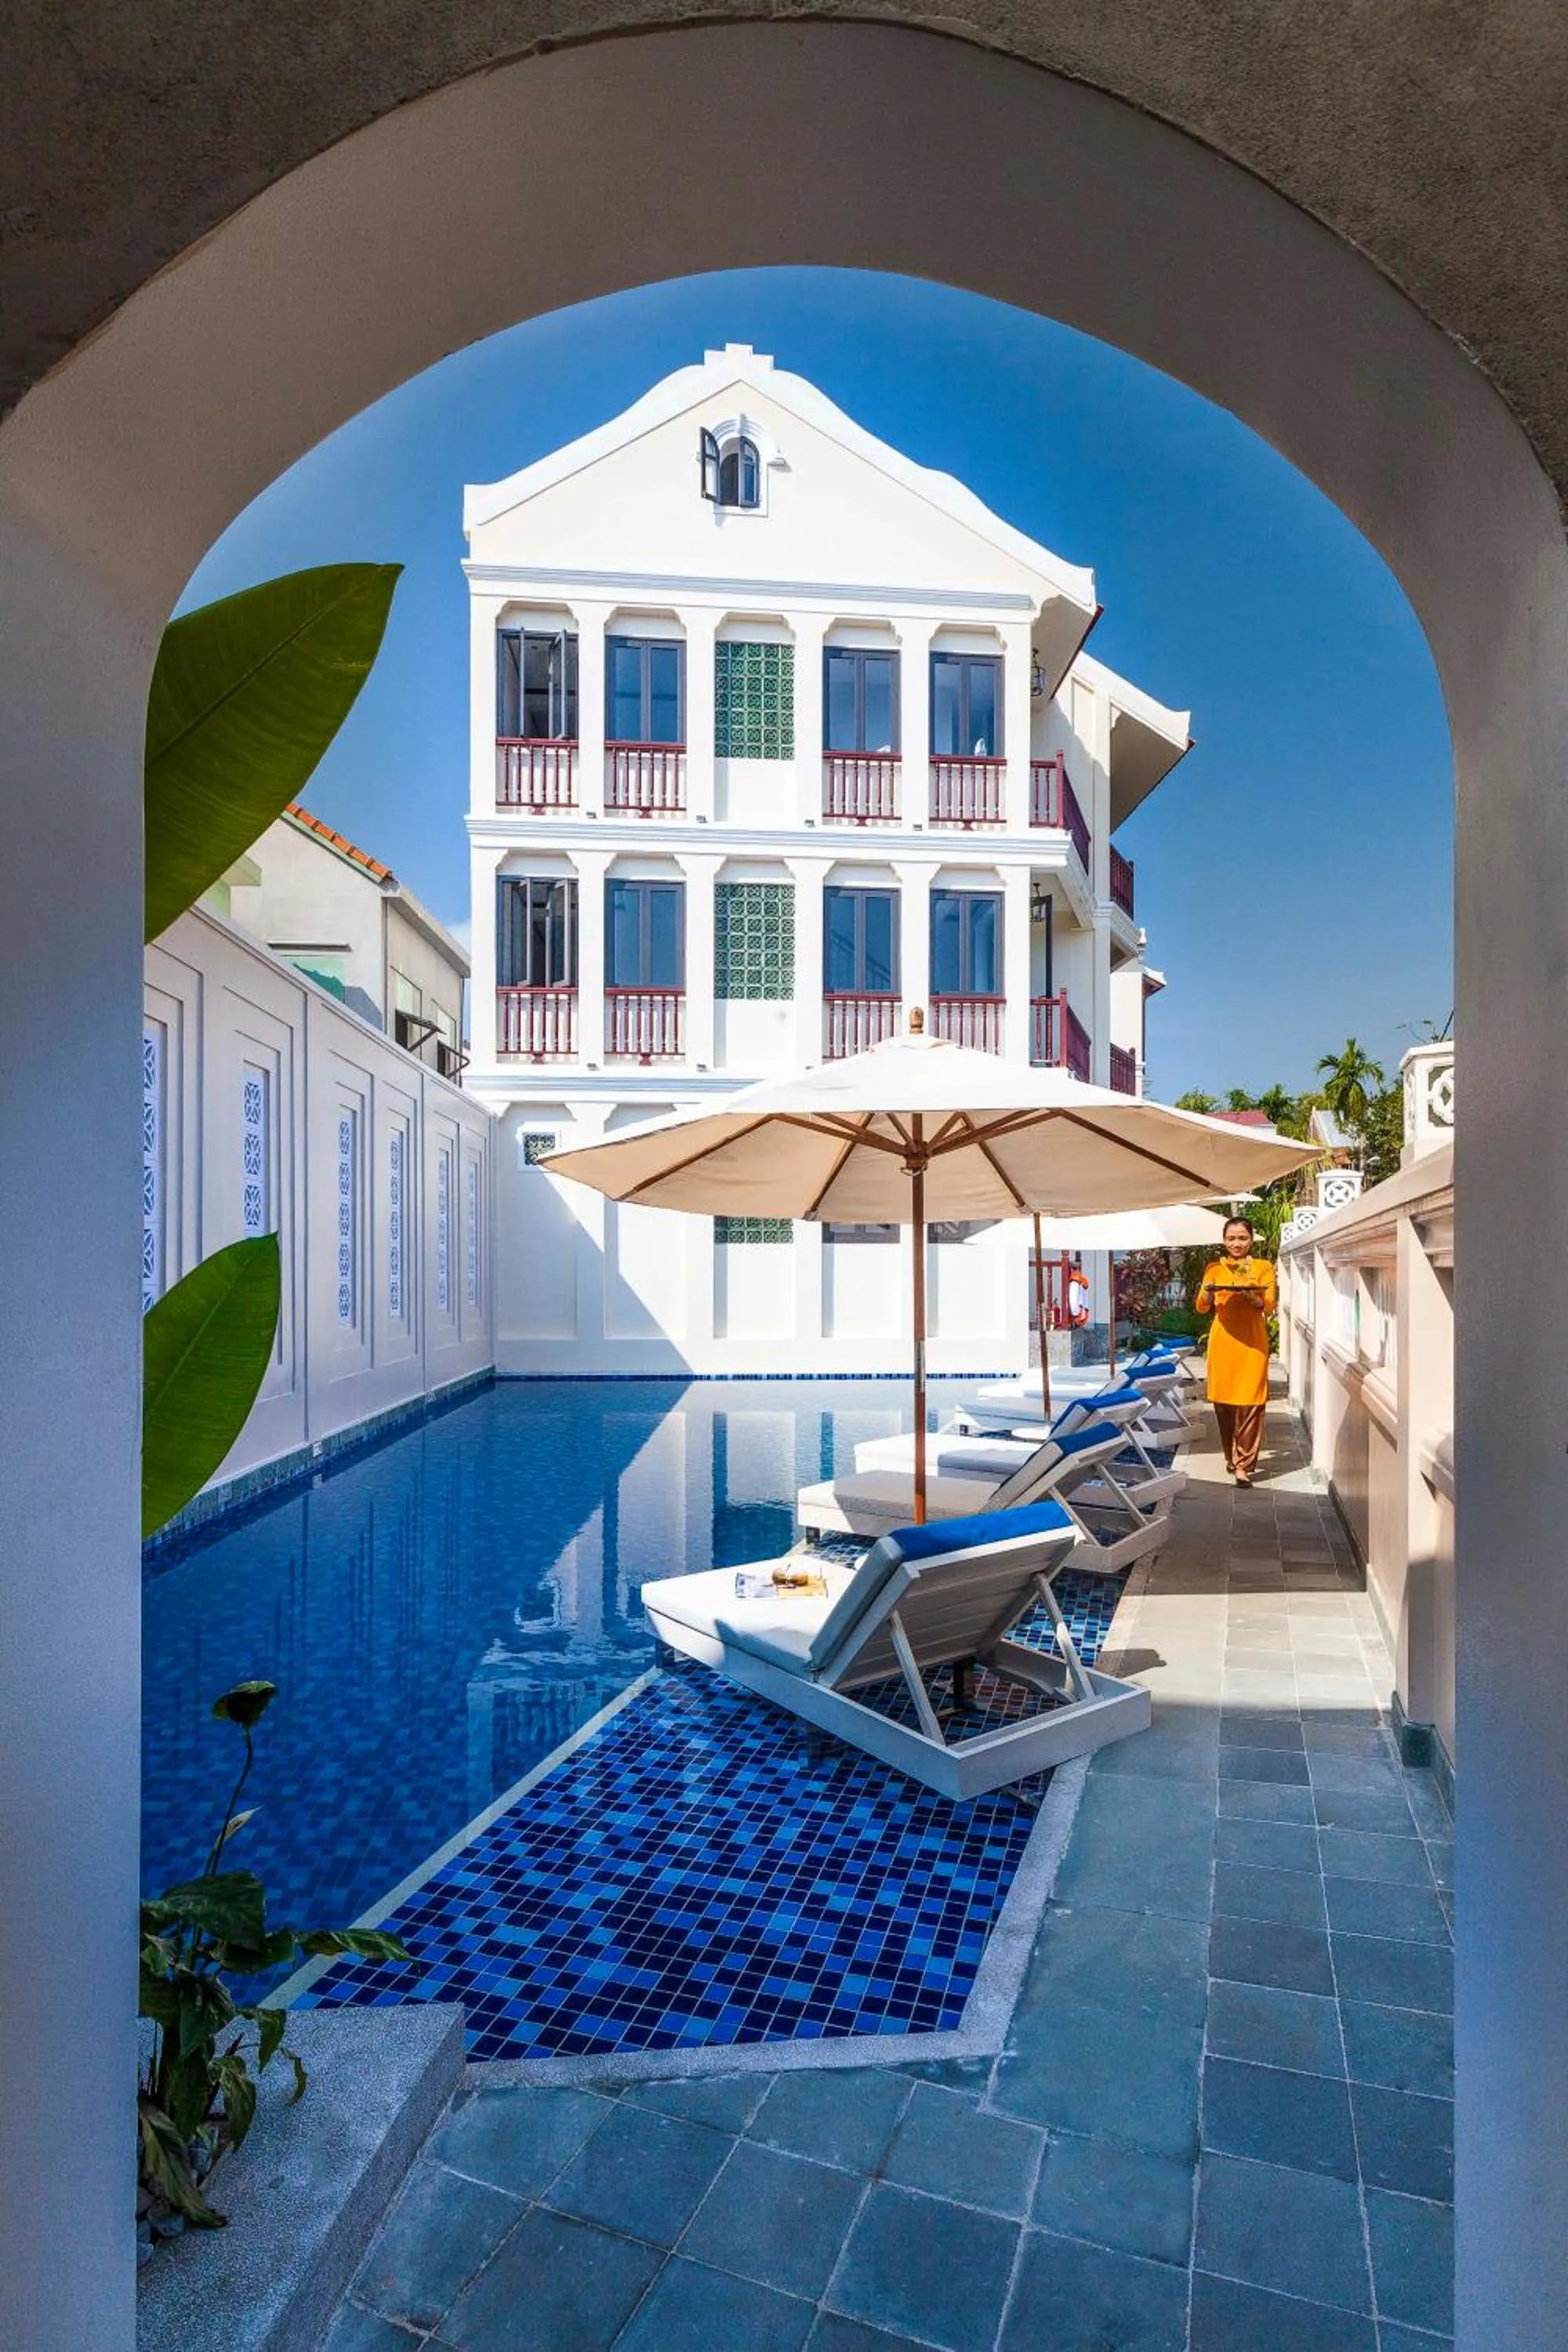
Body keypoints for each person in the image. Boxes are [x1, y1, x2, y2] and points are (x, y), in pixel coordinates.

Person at [1194, 1215, 1278, 1485]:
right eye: (1231, 1238)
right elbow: (1202, 1306)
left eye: (1242, 1238)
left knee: (1251, 1403)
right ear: (1224, 1240)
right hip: (1223, 1342)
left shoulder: (1264, 1268)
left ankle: (1244, 1466)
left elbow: (1269, 1304)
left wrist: (1252, 1296)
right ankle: (1230, 1456)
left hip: (1253, 1343)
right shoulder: (1213, 1269)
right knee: (1224, 1405)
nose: (1237, 1243)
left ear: (1251, 1239)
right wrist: (1208, 1291)